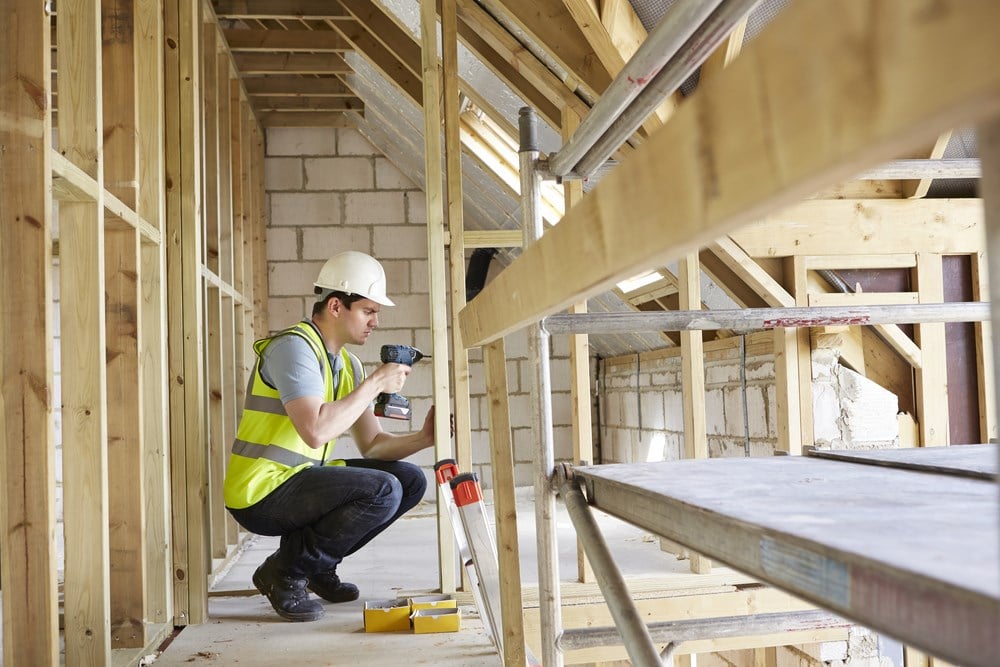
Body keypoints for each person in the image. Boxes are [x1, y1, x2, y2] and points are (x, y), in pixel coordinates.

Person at [223, 250, 441, 622]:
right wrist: (375, 384)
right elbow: (316, 430)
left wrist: (424, 438)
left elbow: (373, 445)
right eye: (369, 311)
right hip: (260, 492)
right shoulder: (294, 348)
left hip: (298, 483)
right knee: (382, 490)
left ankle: (317, 568)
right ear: (337, 306)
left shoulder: (346, 364)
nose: (376, 321)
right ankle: (286, 571)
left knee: (409, 480)